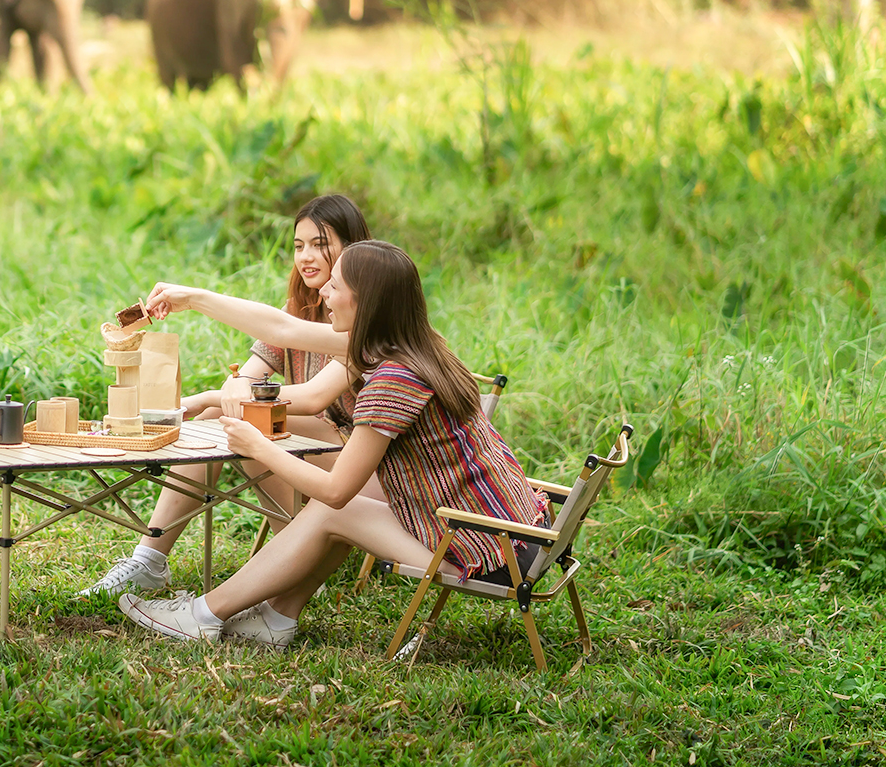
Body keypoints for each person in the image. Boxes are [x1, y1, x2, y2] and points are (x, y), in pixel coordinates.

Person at [116, 240, 546, 650]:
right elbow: (282, 328)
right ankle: (276, 618)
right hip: (513, 536)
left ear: (367, 302)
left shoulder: (394, 378)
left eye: (335, 285)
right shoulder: (415, 346)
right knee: (337, 511)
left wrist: (259, 446)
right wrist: (192, 298)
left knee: (331, 509)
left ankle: (200, 616)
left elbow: (338, 489)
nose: (322, 291)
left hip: (484, 550)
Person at [78, 195, 373, 598]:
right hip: (324, 447)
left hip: (367, 463)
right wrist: (208, 398)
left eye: (320, 244)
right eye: (299, 244)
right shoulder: (300, 309)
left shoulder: (368, 315)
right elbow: (251, 374)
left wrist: (227, 393)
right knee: (223, 420)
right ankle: (149, 557)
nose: (306, 256)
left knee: (248, 421)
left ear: (352, 248)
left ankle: (297, 559)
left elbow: (312, 398)